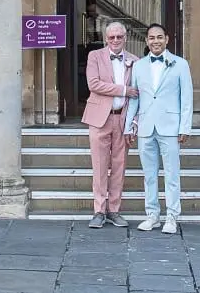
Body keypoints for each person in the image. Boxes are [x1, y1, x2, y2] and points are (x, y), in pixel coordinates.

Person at [124, 23, 193, 234]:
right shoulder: (139, 66)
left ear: (167, 39)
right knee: (149, 175)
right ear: (146, 41)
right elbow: (135, 99)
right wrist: (128, 126)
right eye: (152, 38)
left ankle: (172, 216)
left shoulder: (180, 64)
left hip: (170, 127)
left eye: (159, 37)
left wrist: (185, 127)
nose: (155, 41)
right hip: (145, 127)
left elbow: (186, 98)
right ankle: (152, 215)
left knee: (172, 174)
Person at [82, 21, 139, 228]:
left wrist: (135, 122)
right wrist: (124, 90)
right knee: (99, 165)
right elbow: (94, 84)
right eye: (112, 37)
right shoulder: (94, 56)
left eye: (119, 37)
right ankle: (98, 210)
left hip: (122, 119)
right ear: (106, 38)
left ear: (125, 38)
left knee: (119, 166)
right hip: (99, 118)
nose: (115, 40)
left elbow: (138, 95)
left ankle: (114, 210)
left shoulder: (135, 61)